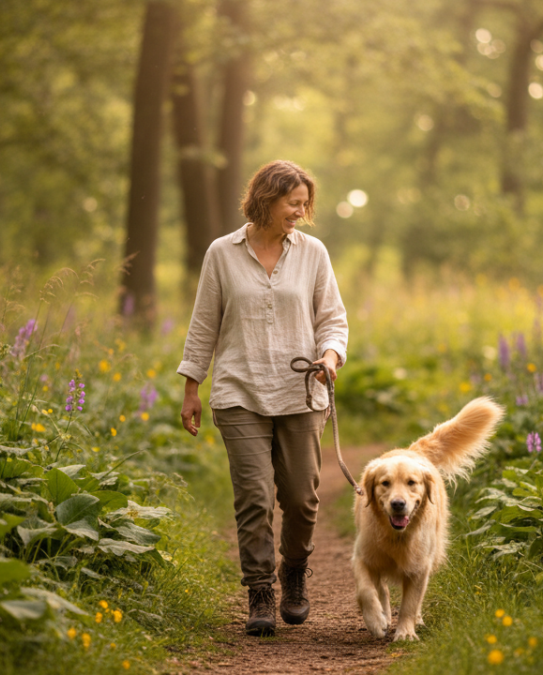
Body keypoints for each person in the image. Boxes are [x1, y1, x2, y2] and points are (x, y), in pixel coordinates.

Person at [177, 160, 348, 637]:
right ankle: (260, 591)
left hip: (301, 391)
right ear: (266, 198)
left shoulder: (313, 253)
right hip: (239, 390)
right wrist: (192, 386)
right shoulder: (222, 252)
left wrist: (330, 357)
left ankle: (293, 573)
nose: (301, 211)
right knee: (253, 498)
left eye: (303, 203)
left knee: (301, 499)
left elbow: (333, 319)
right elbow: (204, 322)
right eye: (293, 202)